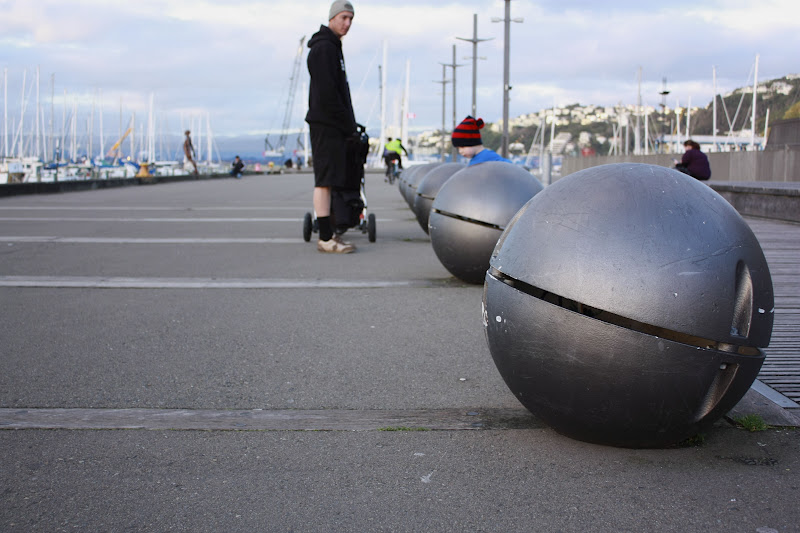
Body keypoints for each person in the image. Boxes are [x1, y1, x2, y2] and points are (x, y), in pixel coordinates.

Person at [305, 0, 358, 253]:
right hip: (326, 124)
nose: (347, 23)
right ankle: (326, 238)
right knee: (324, 180)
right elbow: (328, 93)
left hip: (331, 123)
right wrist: (346, 124)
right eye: (343, 18)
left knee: (329, 180)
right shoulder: (324, 48)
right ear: (332, 18)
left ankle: (329, 235)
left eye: (351, 19)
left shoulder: (332, 46)